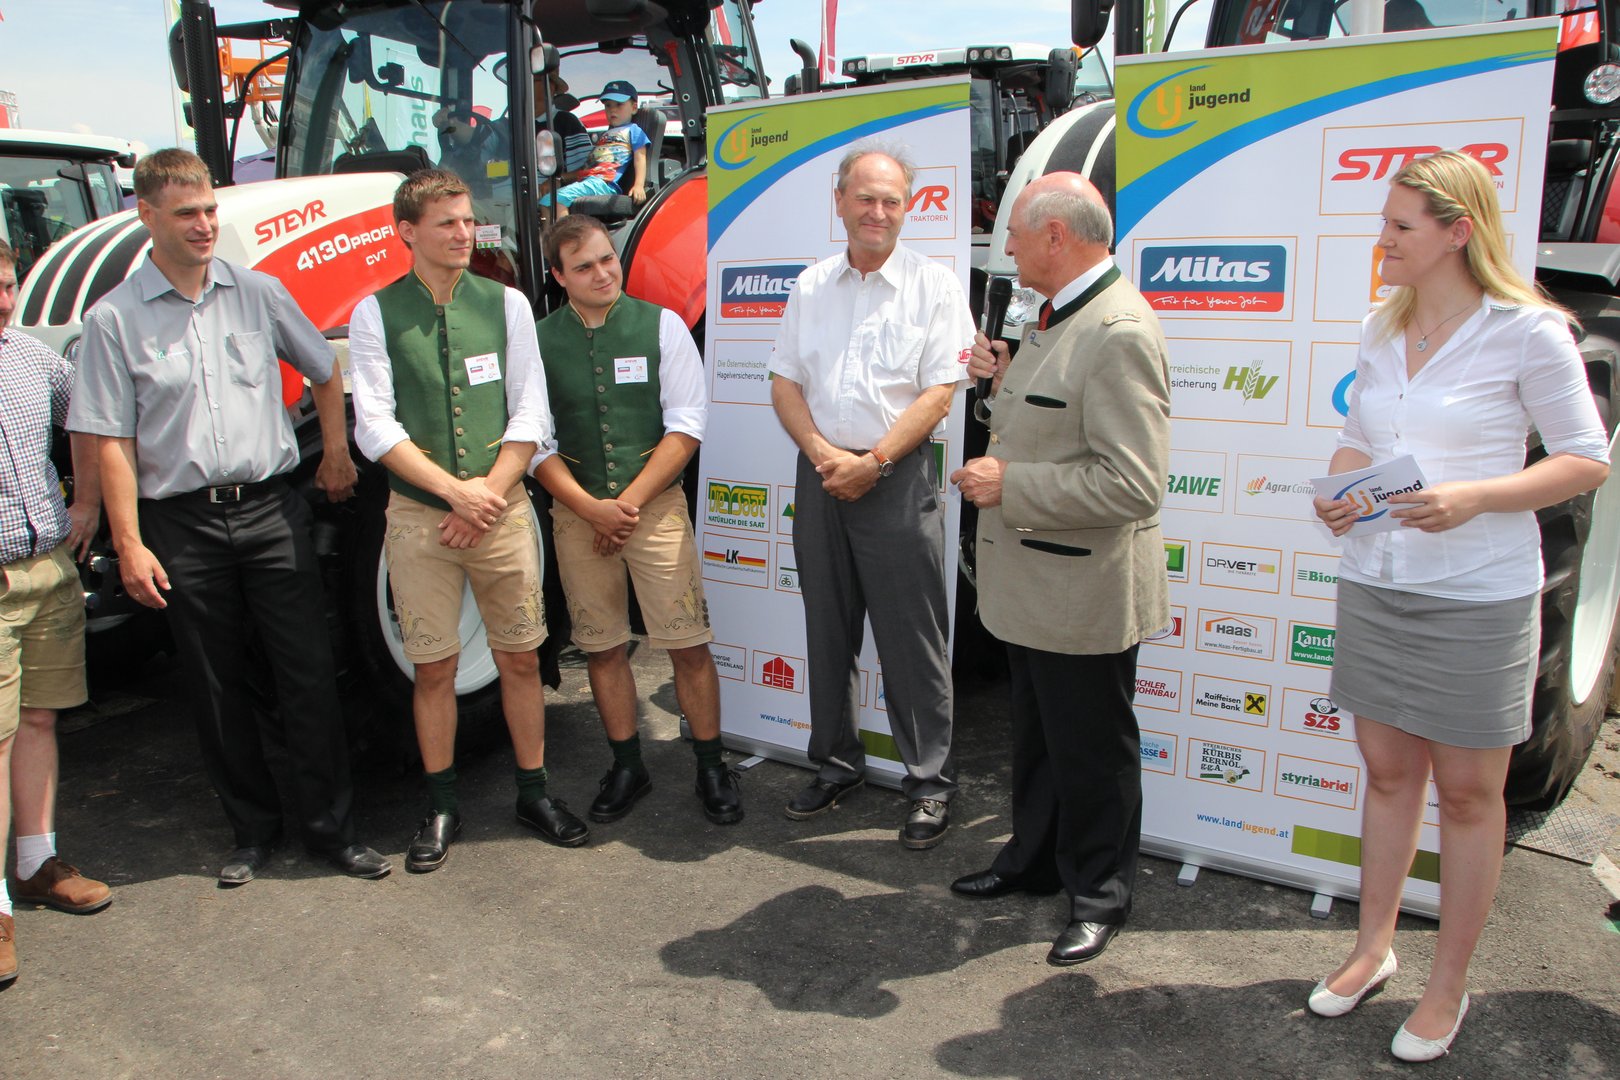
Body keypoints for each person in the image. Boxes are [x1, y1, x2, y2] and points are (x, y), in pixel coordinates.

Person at [1308, 150, 1609, 1062]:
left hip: (1478, 597)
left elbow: (1586, 459)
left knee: (1472, 796)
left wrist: (1477, 496)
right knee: (1388, 774)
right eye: (1385, 222)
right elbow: (1360, 437)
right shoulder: (1383, 326)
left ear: (1458, 233)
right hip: (1377, 581)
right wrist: (1339, 490)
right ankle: (1372, 950)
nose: (1383, 239)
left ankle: (1449, 986)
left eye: (1401, 226)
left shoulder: (1529, 332)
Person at [67, 148, 390, 886]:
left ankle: (333, 833)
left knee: (308, 673)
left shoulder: (258, 292)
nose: (205, 224)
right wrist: (128, 543)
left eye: (210, 209)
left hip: (271, 509)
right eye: (186, 213)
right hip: (180, 524)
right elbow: (111, 442)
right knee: (215, 686)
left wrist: (336, 454)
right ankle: (251, 834)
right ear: (147, 216)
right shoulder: (114, 320)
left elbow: (325, 368)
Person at [949, 172, 1171, 966]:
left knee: (1092, 751)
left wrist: (1011, 484)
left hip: (1084, 593)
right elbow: (1052, 427)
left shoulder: (1118, 330)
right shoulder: (1054, 315)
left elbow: (1134, 485)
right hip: (1034, 587)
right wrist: (1001, 383)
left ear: (1055, 236)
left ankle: (1101, 894)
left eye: (1014, 231)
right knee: (1041, 740)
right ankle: (1034, 860)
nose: (1005, 245)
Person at [349, 168, 587, 873]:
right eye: (447, 223)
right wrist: (455, 493)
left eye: (467, 221)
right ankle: (442, 804)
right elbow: (373, 425)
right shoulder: (374, 313)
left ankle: (533, 793)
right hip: (421, 519)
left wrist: (486, 493)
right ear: (407, 232)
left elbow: (530, 411)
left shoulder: (506, 303)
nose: (464, 234)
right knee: (433, 668)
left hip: (500, 509)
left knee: (520, 657)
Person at [767, 143, 975, 849]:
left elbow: (939, 394)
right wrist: (825, 454)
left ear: (908, 207)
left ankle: (930, 783)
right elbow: (785, 382)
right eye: (865, 198)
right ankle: (835, 763)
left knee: (912, 642)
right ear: (840, 201)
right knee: (827, 632)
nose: (877, 212)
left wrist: (875, 461)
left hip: (897, 479)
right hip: (821, 474)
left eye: (891, 200)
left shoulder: (935, 287)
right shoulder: (810, 286)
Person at [532, 214, 742, 826]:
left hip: (655, 509)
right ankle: (628, 765)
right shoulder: (536, 342)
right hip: (578, 514)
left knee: (688, 643)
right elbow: (533, 440)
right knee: (601, 648)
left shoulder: (663, 324)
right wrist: (588, 507)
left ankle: (711, 765)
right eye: (584, 267)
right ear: (558, 276)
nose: (603, 273)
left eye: (607, 259)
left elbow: (687, 425)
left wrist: (624, 506)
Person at [0, 237, 110, 983]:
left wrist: (88, 502)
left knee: (38, 719)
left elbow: (92, 419)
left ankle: (36, 862)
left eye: (7, 285)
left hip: (48, 567)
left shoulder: (33, 359)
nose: (2, 300)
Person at [543, 80, 649, 218]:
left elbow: (641, 157)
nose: (612, 110)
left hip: (603, 183)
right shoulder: (605, 135)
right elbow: (588, 168)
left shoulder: (633, 130)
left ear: (634, 107)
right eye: (608, 105)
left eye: (619, 104)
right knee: (545, 202)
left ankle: (565, 231)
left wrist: (639, 185)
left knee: (557, 200)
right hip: (588, 181)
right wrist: (560, 178)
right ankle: (549, 232)